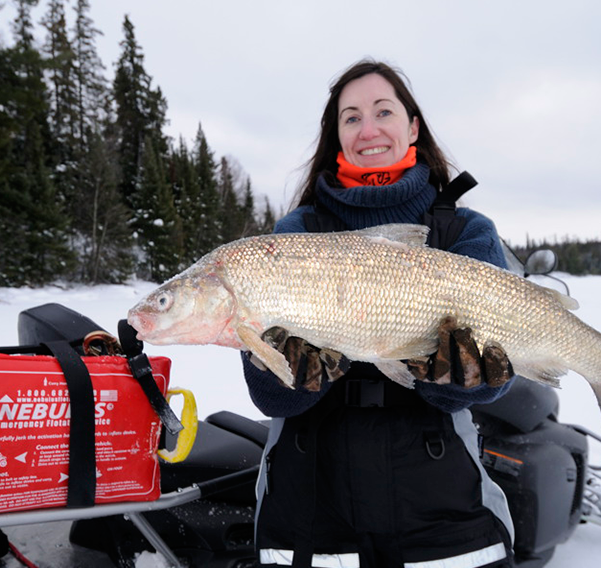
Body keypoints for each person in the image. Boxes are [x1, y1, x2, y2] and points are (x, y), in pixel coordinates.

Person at [241, 59, 517, 568]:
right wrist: (289, 377)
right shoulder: (295, 233)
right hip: (311, 516)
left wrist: (461, 379)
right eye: (350, 117)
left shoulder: (466, 232)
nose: (368, 129)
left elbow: (499, 377)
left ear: (412, 125)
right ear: (336, 136)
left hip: (442, 517)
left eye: (382, 111)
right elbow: (267, 396)